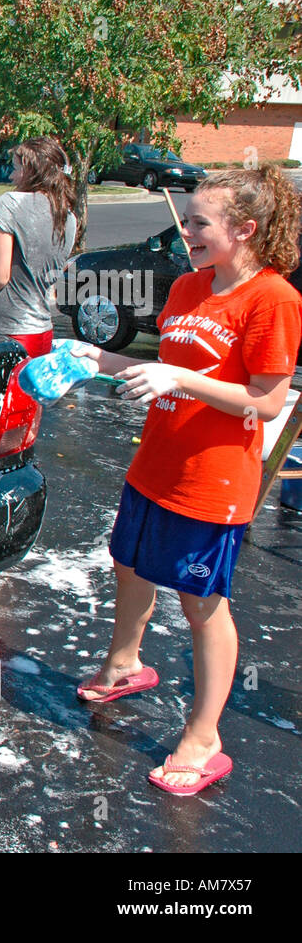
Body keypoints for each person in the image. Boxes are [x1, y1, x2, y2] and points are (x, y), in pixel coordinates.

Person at [73, 166, 302, 794]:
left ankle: (205, 738)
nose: (187, 232)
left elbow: (267, 398)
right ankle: (125, 664)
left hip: (213, 480)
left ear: (245, 230)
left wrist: (181, 381)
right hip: (156, 464)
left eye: (200, 222)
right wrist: (96, 359)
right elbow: (166, 368)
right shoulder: (188, 287)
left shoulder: (273, 298)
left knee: (202, 606)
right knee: (129, 564)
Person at [0, 137, 78, 358]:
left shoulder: (11, 203)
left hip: (10, 334)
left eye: (15, 168)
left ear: (32, 170)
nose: (11, 176)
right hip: (43, 333)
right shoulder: (68, 217)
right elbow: (28, 278)